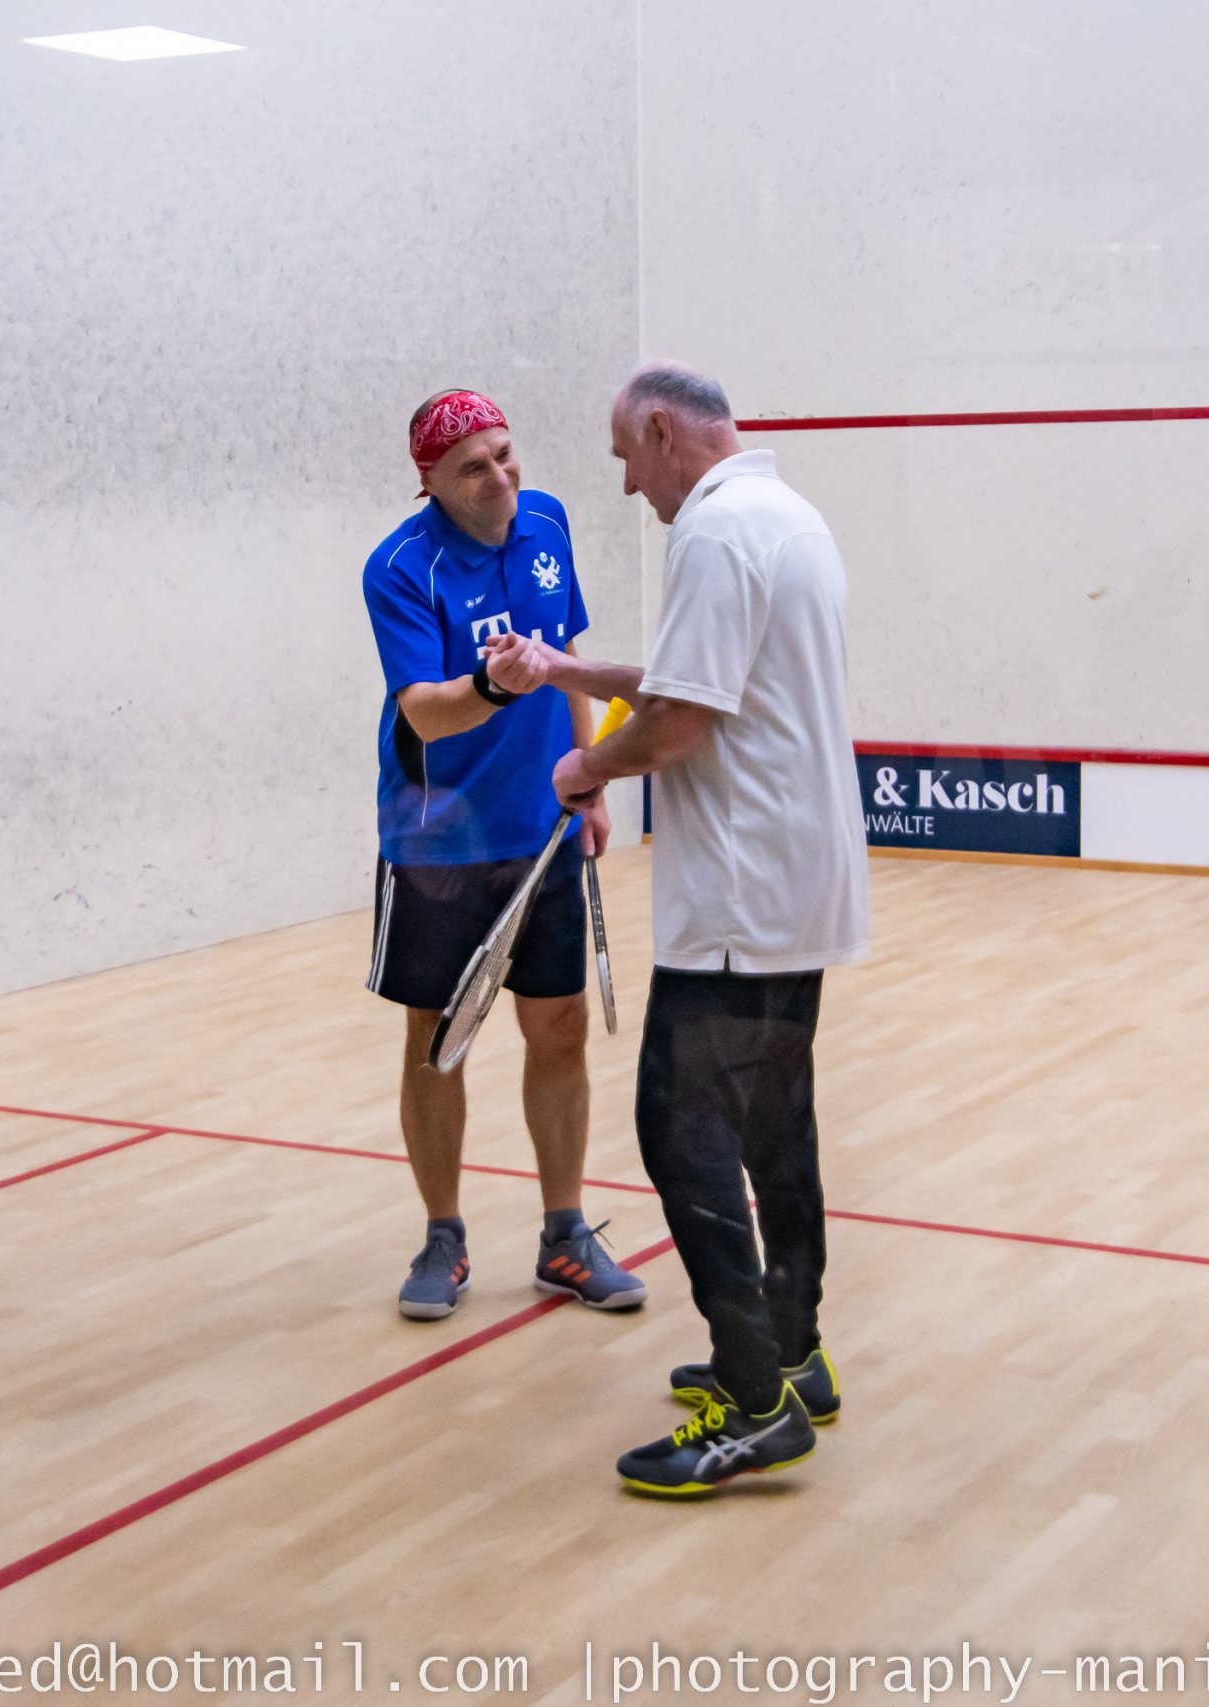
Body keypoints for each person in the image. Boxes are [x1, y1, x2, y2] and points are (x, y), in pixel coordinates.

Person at [485, 361, 868, 1496]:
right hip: (797, 884)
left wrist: (586, 765)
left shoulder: (712, 530)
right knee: (774, 1126)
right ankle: (793, 1355)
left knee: (680, 1128)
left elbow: (680, 721)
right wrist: (565, 669)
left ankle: (754, 1406)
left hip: (742, 895)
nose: (624, 486)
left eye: (623, 458)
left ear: (661, 431)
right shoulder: (783, 515)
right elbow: (694, 674)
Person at [359, 389, 647, 1323]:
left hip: (545, 827)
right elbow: (424, 712)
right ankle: (443, 1236)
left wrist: (591, 773)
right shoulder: (401, 568)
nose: (500, 476)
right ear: (431, 482)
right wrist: (490, 685)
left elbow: (569, 651)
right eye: (473, 467)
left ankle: (565, 1235)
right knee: (436, 1041)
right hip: (438, 841)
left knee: (559, 1028)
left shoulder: (549, 522)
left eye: (505, 453)